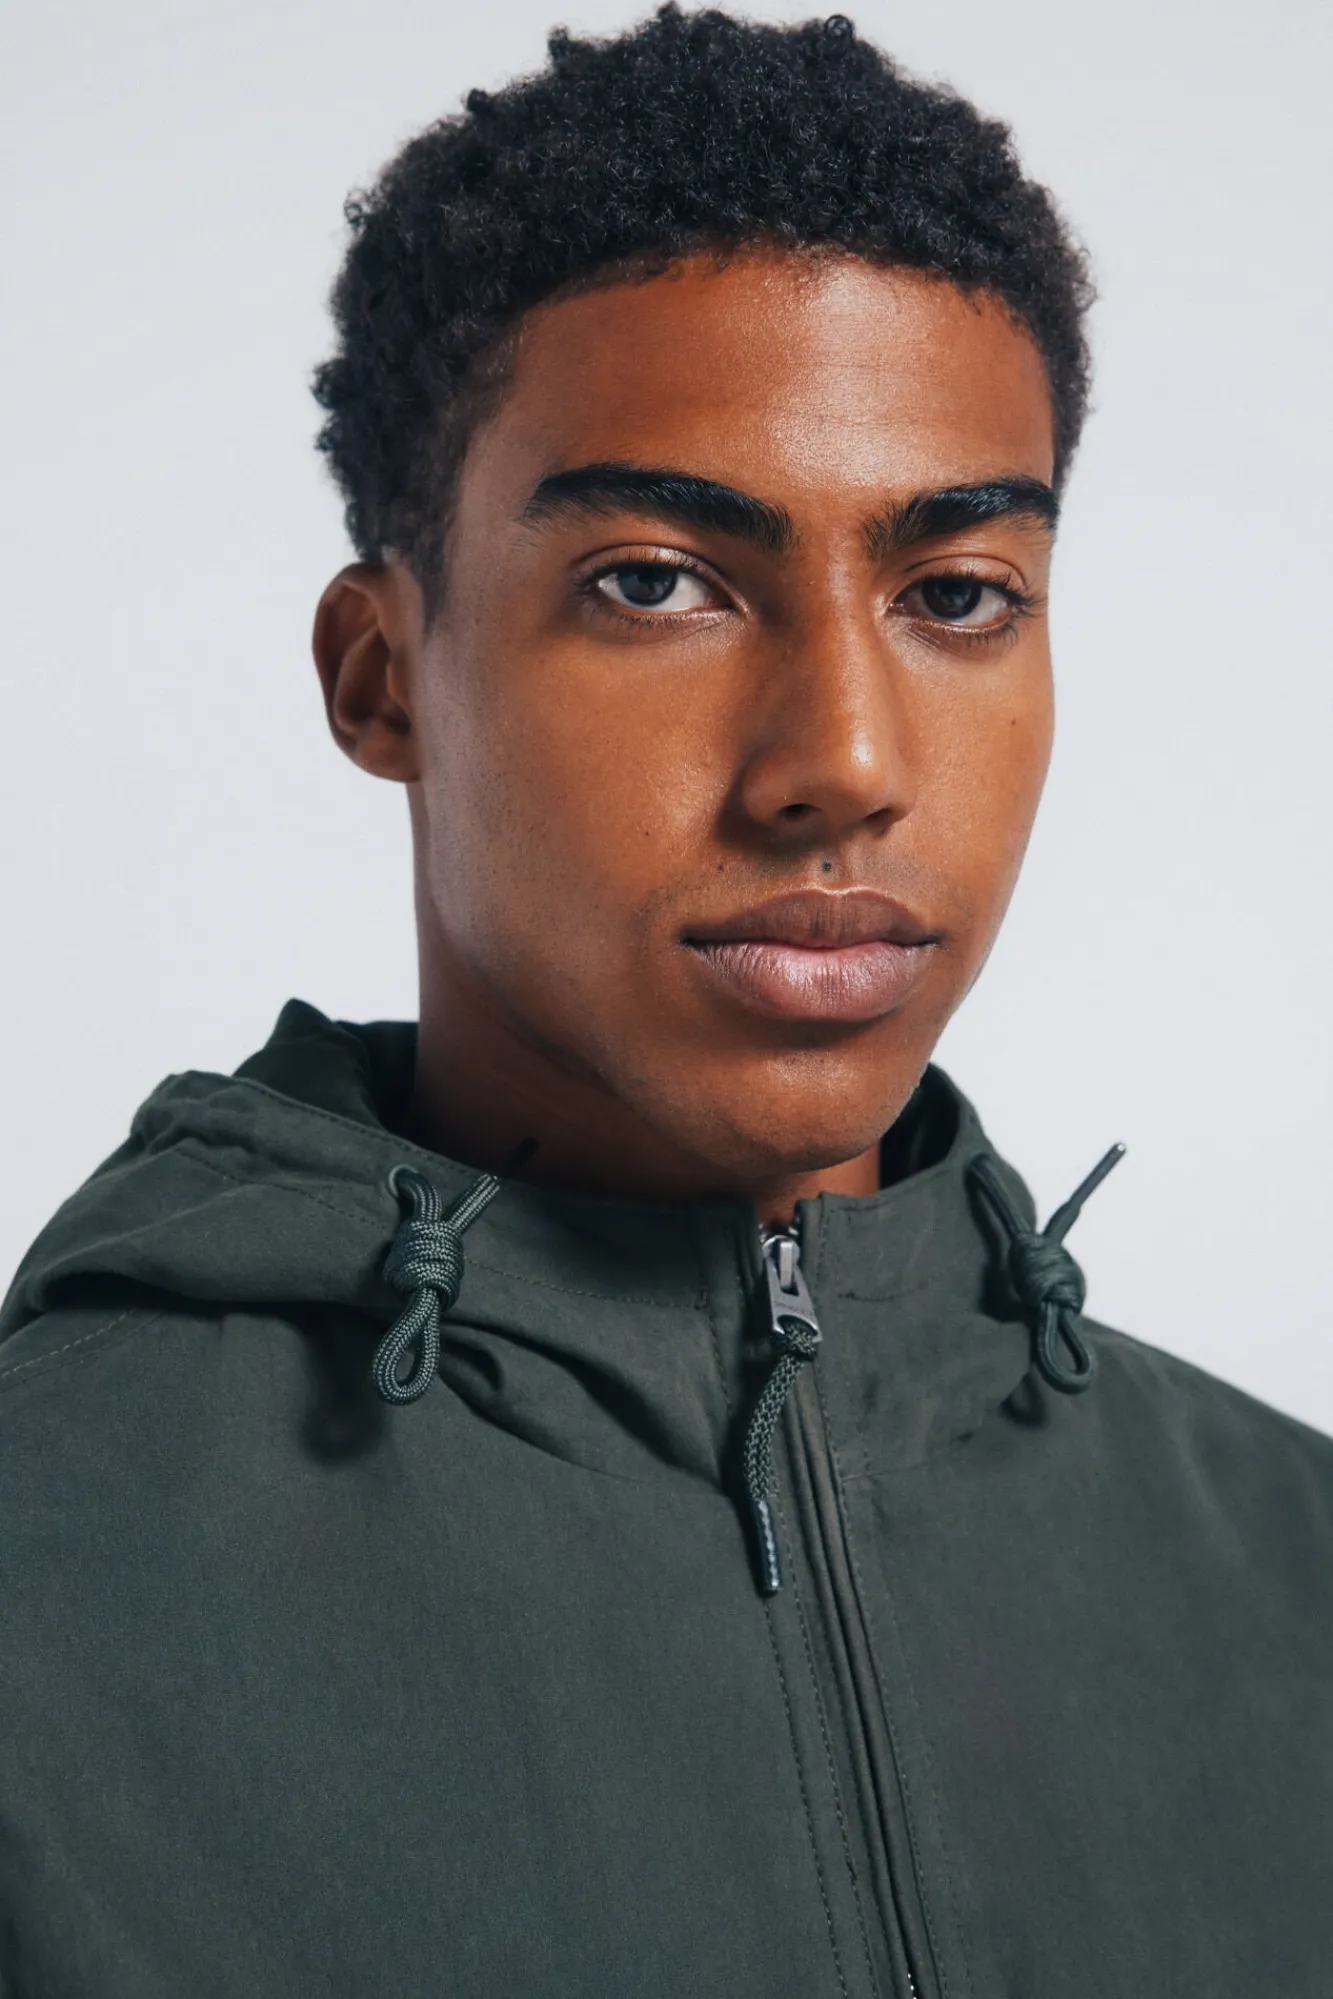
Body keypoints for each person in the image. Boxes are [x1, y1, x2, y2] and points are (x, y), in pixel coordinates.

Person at [2, 8, 1329, 1995]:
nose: (844, 761)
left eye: (957, 592)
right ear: (382, 677)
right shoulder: (46, 1588)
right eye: (657, 580)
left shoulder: (1293, 1565)